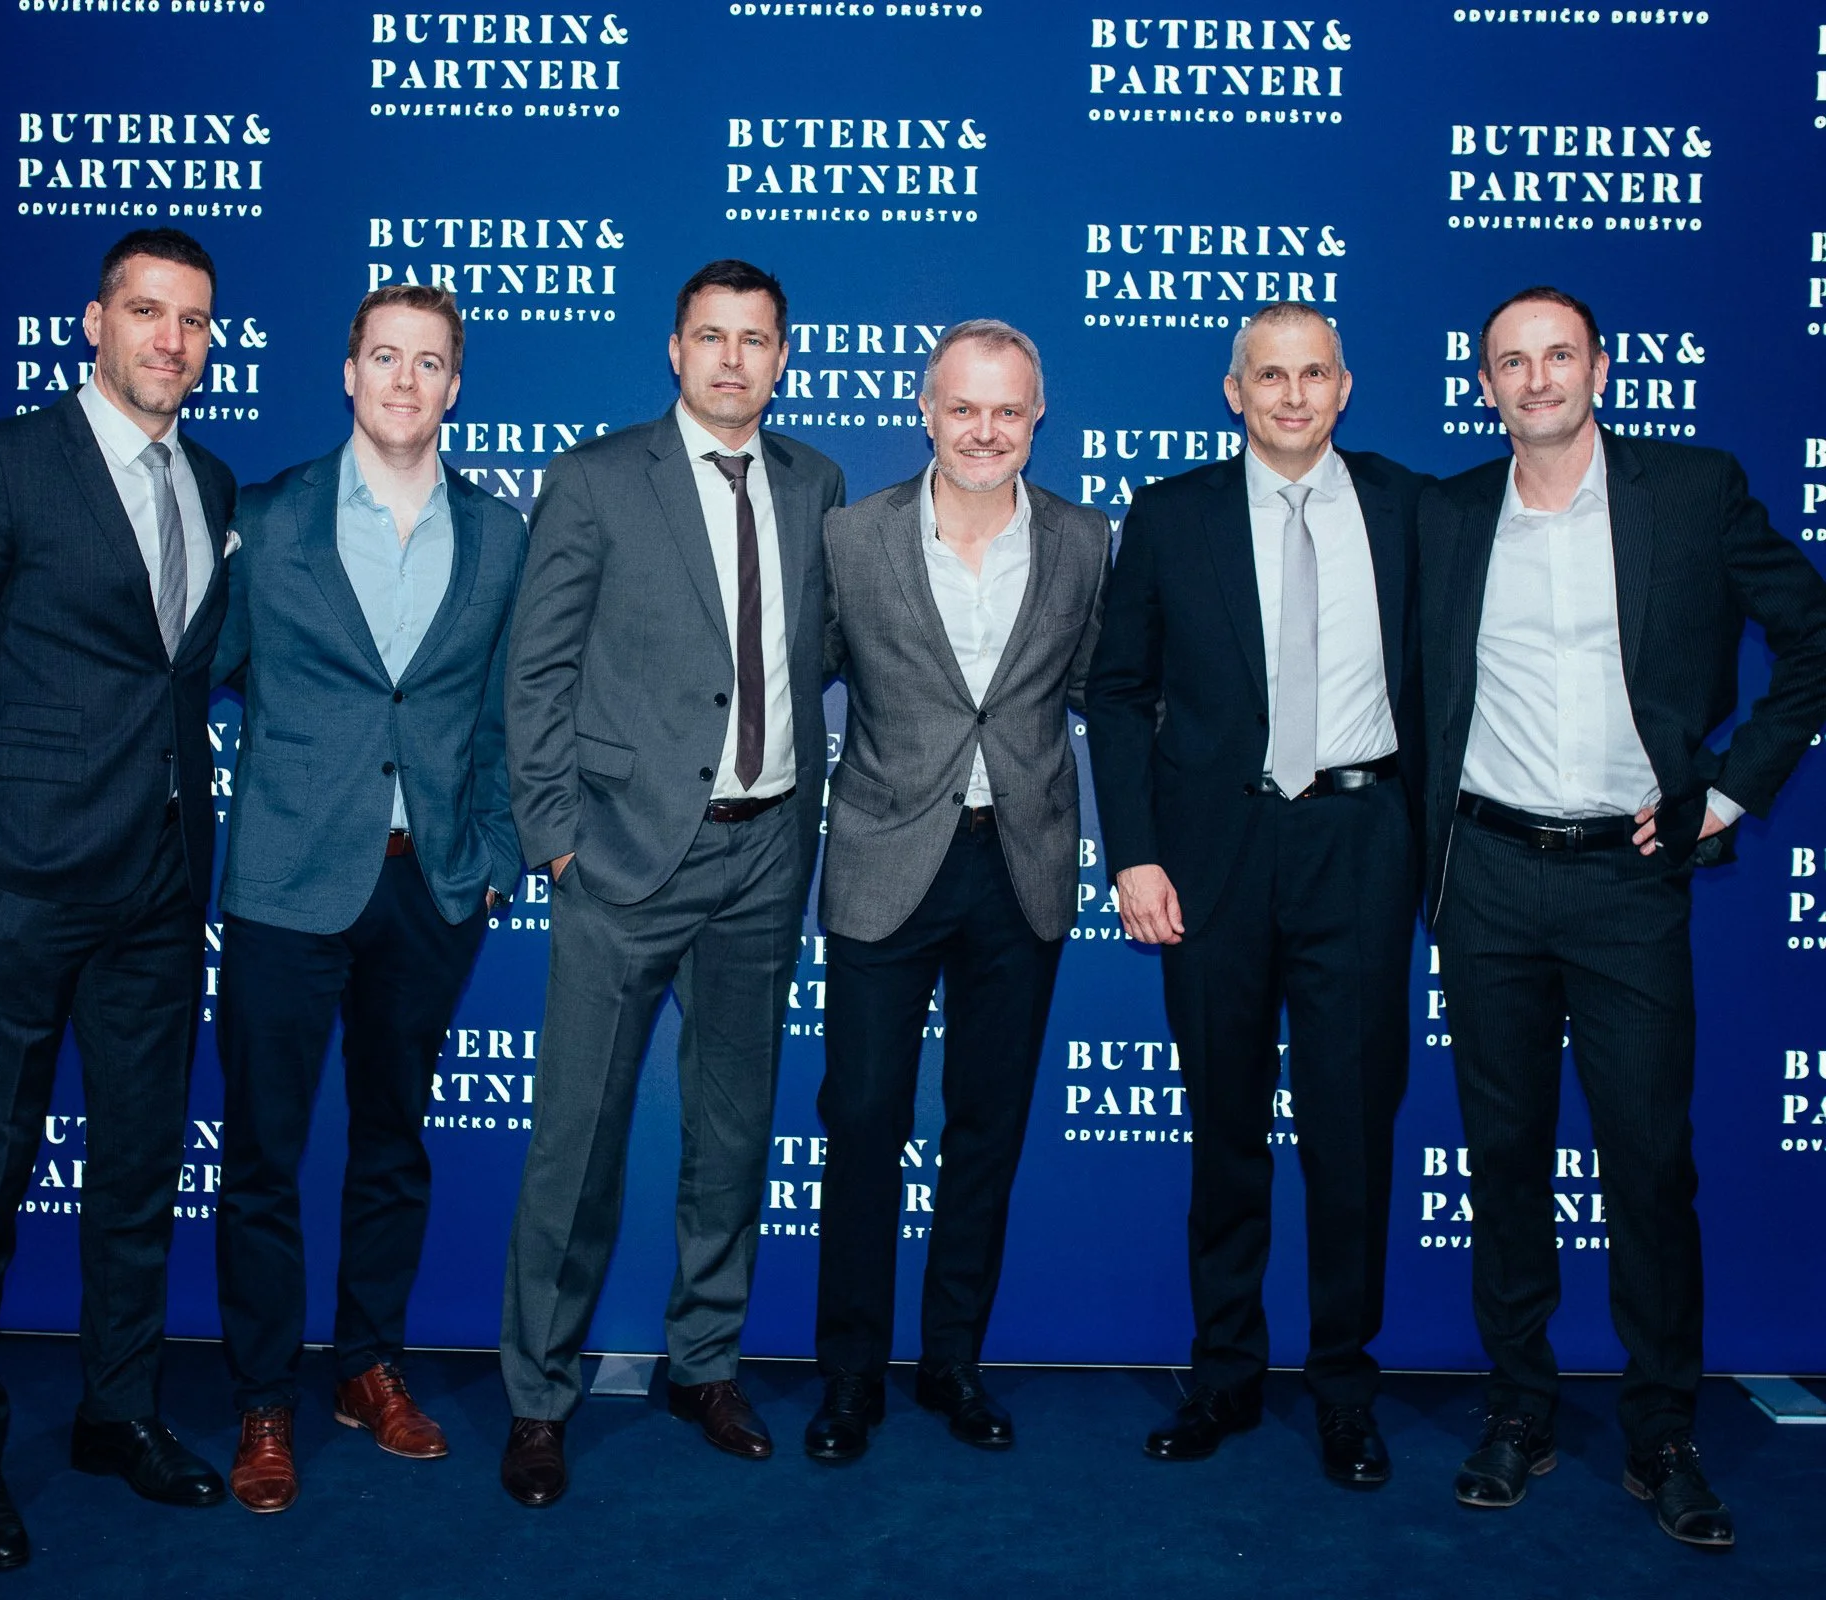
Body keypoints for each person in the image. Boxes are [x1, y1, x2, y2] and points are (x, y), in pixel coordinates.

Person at [1421, 286, 1826, 1548]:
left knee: (1648, 1163)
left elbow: (1810, 636)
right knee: (1503, 1159)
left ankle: (1661, 1430)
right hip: (1481, 874)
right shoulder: (1442, 516)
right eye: (1508, 362)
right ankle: (1517, 1406)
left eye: (1555, 355)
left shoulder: (1690, 492)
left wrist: (1728, 787)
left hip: (1626, 880)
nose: (1534, 379)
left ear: (1598, 365)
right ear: (1482, 383)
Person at [0, 228, 235, 1570]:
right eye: (147, 313)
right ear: (94, 323)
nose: (171, 341)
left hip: (158, 884)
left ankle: (118, 1412)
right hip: (22, 887)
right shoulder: (1, 463)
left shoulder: (208, 478)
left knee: (139, 1169)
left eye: (194, 321)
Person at [498, 259, 845, 1505]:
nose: (733, 360)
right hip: (623, 858)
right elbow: (533, 672)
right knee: (576, 1139)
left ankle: (704, 1362)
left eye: (757, 339)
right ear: (673, 349)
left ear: (781, 357)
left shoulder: (816, 484)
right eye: (711, 336)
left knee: (731, 1132)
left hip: (765, 855)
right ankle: (540, 1396)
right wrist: (552, 836)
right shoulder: (593, 479)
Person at [1087, 302, 1425, 1487]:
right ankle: (1223, 1373)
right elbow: (1117, 694)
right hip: (1213, 856)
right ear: (1232, 391)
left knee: (1349, 1133)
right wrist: (1130, 851)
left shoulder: (1406, 507)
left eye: (1312, 374)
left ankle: (1344, 1387)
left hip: (1359, 846)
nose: (1290, 395)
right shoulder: (1170, 515)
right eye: (1266, 376)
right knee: (1225, 1130)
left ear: (1345, 387)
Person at [210, 285, 527, 1513]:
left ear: (455, 386)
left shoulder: (499, 536)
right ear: (347, 373)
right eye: (383, 357)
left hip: (430, 887)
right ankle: (259, 1400)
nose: (404, 380)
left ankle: (368, 1365)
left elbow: (503, 717)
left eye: (429, 362)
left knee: (393, 1144)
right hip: (289, 884)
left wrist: (489, 853)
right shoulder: (267, 518)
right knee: (264, 1155)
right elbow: (206, 673)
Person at [802, 321, 1108, 1462]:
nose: (985, 430)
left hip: (1018, 868)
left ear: (1037, 420)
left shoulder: (1084, 541)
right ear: (924, 413)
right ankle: (847, 1379)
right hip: (884, 861)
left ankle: (951, 1363)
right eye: (963, 408)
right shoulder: (851, 535)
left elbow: (1096, 691)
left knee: (986, 1130)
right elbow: (797, 678)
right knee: (864, 1124)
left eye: (1009, 411)